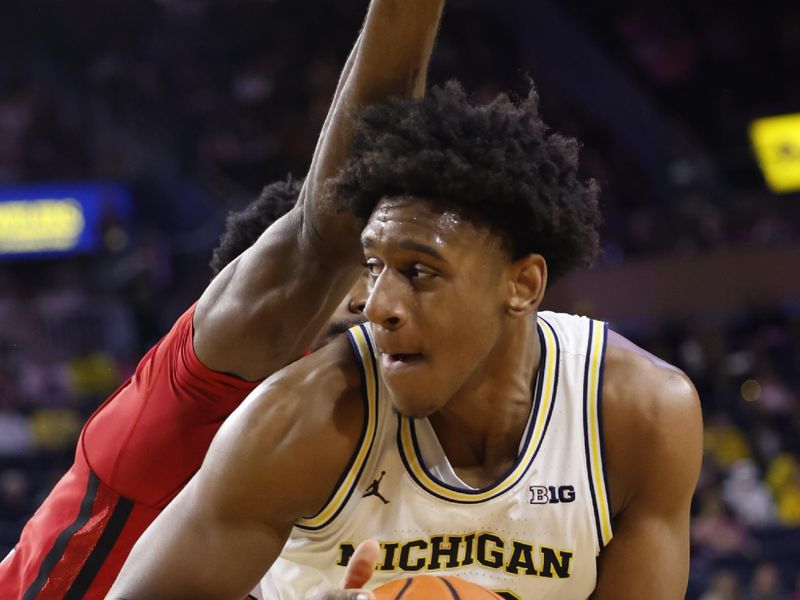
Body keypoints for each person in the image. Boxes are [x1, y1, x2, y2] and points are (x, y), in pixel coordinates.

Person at [109, 83, 703, 600]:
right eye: (373, 265)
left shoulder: (639, 417)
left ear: (522, 285)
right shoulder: (301, 419)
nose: (376, 305)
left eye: (419, 271)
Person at [0, 1, 445, 597]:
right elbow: (332, 228)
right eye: (360, 284)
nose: (376, 307)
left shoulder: (340, 455)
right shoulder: (200, 385)